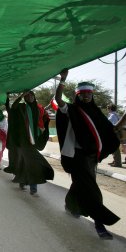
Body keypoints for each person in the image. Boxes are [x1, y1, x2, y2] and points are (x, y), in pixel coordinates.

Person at [55, 69, 120, 240]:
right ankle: (100, 223)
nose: (86, 97)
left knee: (80, 184)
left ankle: (71, 205)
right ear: (78, 95)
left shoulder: (96, 112)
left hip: (92, 157)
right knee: (92, 189)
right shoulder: (71, 110)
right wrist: (63, 80)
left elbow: (108, 130)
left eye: (88, 94)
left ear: (92, 95)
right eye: (82, 94)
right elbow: (58, 100)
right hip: (77, 157)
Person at [11, 90, 53, 196]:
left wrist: (44, 127)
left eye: (31, 95)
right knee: (33, 162)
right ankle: (33, 187)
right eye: (27, 96)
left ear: (34, 96)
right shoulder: (22, 107)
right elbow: (13, 107)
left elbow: (45, 119)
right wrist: (21, 95)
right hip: (24, 140)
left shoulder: (39, 108)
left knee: (26, 162)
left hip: (36, 139)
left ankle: (22, 181)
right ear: (25, 97)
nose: (29, 97)